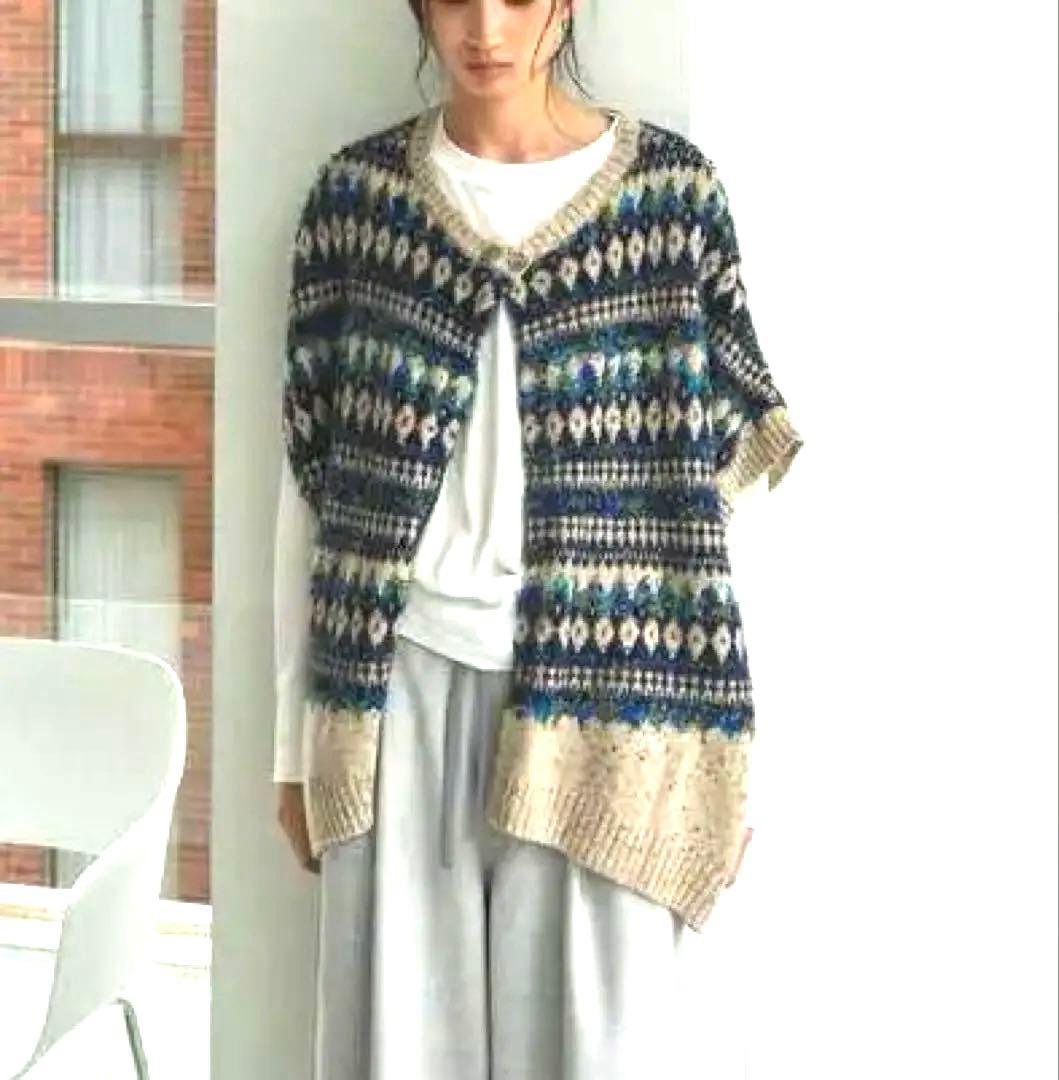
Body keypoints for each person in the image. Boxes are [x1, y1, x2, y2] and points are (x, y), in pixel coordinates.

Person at [273, 1, 801, 1076]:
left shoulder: (669, 202)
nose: (485, 28)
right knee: (397, 1054)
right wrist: (293, 747)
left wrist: (730, 757)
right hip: (396, 695)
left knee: (597, 1054)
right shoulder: (357, 204)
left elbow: (729, 494)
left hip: (616, 706)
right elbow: (310, 493)